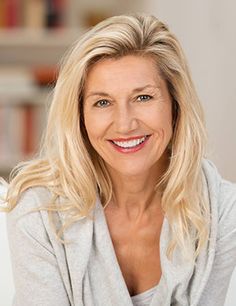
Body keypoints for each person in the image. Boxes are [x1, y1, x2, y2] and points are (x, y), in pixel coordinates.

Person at [1, 13, 236, 306]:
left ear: (175, 106)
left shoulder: (220, 211)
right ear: (80, 117)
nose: (124, 124)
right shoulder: (37, 210)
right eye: (102, 102)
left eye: (143, 98)